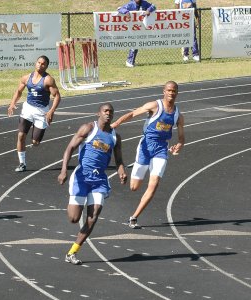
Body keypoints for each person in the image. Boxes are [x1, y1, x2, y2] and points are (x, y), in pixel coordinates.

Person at [58, 103, 127, 265]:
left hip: (100, 181)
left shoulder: (115, 137)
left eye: (111, 111)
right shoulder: (88, 128)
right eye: (105, 111)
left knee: (94, 215)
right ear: (99, 113)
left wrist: (121, 171)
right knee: (74, 218)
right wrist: (63, 171)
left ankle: (72, 252)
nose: (108, 114)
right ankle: (76, 204)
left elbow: (119, 160)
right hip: (82, 177)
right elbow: (69, 148)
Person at [111, 81, 184, 229]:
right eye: (169, 90)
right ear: (164, 91)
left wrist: (179, 145)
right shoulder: (154, 106)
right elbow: (132, 114)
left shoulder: (178, 115)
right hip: (145, 146)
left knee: (154, 183)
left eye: (174, 91)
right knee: (134, 187)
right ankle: (136, 178)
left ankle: (134, 217)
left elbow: (182, 138)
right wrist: (115, 124)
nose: (171, 93)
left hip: (161, 150)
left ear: (177, 93)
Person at [8, 55, 61, 172]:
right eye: (38, 62)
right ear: (35, 63)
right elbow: (19, 91)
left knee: (35, 142)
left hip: (42, 112)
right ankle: (22, 163)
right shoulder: (26, 78)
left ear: (46, 66)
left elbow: (57, 96)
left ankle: (35, 130)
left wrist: (51, 111)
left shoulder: (48, 80)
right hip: (28, 109)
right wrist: (12, 104)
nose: (40, 65)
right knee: (21, 136)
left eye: (43, 64)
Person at [118, 0, 156, 68]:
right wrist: (126, 12)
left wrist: (148, 10)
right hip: (131, 28)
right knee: (134, 44)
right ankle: (129, 61)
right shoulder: (131, 4)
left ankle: (132, 61)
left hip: (141, 27)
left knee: (136, 44)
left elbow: (153, 6)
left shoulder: (144, 3)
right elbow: (120, 8)